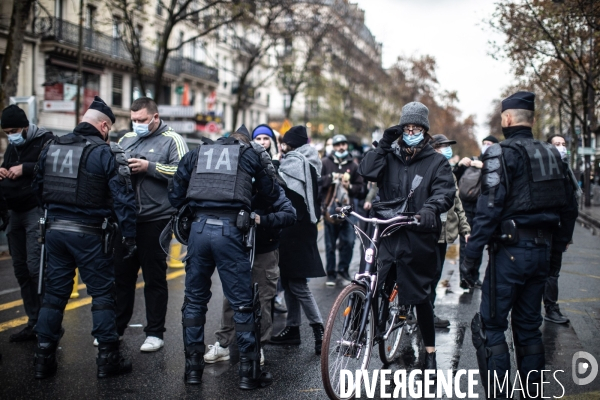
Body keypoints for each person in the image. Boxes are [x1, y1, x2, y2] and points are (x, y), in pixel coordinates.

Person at [461, 91, 578, 397]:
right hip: (542, 251)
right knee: (528, 329)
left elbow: (487, 212)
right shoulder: (553, 154)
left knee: (491, 328)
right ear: (533, 120)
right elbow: (570, 207)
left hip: (509, 255)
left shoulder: (500, 153)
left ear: (507, 118)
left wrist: (470, 260)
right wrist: (554, 257)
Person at [31, 97, 137, 379]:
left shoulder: (51, 146)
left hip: (54, 231)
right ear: (104, 126)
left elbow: (37, 187)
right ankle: (107, 360)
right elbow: (123, 199)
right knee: (102, 295)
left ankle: (43, 359)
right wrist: (129, 237)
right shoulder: (104, 152)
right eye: (109, 129)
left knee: (54, 295)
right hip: (90, 233)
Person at [169, 124, 279, 388]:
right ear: (245, 143)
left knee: (194, 302)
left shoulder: (198, 152)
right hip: (231, 231)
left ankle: (193, 371)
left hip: (199, 229)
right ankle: (247, 374)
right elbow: (270, 192)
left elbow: (175, 192)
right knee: (242, 304)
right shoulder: (249, 155)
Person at [359, 102, 456, 376]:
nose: (411, 131)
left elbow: (444, 192)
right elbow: (366, 172)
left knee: (420, 296)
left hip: (417, 234)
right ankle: (375, 325)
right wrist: (383, 144)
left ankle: (430, 352)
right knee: (375, 280)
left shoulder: (436, 161)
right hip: (388, 231)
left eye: (416, 128)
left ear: (425, 131)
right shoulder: (388, 155)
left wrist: (430, 209)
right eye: (406, 128)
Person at [205, 124, 296, 366]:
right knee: (230, 298)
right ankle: (224, 343)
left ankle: (259, 346)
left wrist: (260, 219)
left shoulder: (270, 177)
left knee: (263, 298)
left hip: (264, 248)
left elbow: (289, 214)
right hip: (234, 248)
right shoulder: (227, 177)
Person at [112, 97, 188, 352]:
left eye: (142, 120)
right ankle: (116, 329)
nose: (137, 125)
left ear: (155, 117)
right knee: (122, 277)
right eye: (133, 120)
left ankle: (155, 333)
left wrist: (149, 167)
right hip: (126, 220)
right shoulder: (125, 140)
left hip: (156, 219)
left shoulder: (173, 139)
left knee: (154, 278)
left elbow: (184, 173)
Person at [270, 126, 326, 355]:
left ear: (289, 144)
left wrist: (273, 165)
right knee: (291, 280)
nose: (282, 147)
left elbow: (283, 187)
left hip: (296, 229)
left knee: (298, 284)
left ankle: (319, 328)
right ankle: (293, 329)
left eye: (284, 143)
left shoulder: (295, 162)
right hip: (299, 227)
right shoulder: (311, 160)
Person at [0, 105, 54, 342]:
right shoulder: (12, 147)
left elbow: (52, 167)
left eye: (13, 130)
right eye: (6, 132)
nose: (10, 135)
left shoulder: (46, 140)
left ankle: (46, 323)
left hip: (34, 209)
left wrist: (26, 168)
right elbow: (8, 165)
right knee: (21, 270)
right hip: (14, 212)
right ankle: (33, 322)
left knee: (35, 268)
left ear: (24, 127)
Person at [429, 134, 471, 328]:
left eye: (447, 146)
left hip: (444, 233)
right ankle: (420, 312)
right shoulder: (427, 168)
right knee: (427, 273)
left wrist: (464, 228)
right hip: (428, 230)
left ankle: (428, 312)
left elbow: (456, 202)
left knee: (436, 272)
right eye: (441, 146)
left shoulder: (449, 172)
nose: (446, 150)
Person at [543, 134, 581, 325]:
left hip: (559, 232)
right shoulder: (547, 170)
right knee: (546, 272)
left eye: (563, 144)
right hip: (548, 230)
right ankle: (549, 309)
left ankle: (549, 308)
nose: (561, 147)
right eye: (557, 144)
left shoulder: (566, 170)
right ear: (548, 147)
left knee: (551, 272)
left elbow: (571, 207)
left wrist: (567, 236)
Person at [455, 135, 499, 288]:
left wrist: (484, 166)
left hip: (482, 208)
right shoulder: (471, 161)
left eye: (490, 144)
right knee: (465, 242)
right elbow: (455, 177)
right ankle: (464, 277)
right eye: (484, 143)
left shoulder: (495, 163)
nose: (486, 146)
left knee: (478, 242)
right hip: (466, 207)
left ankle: (474, 276)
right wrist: (461, 164)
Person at [320, 134, 365, 286]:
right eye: (338, 144)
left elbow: (361, 188)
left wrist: (349, 186)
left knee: (349, 241)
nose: (341, 147)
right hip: (330, 209)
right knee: (330, 244)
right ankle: (331, 273)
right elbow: (318, 182)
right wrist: (331, 178)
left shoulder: (354, 165)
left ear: (347, 146)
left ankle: (343, 270)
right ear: (333, 147)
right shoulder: (325, 162)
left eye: (343, 144)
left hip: (348, 211)